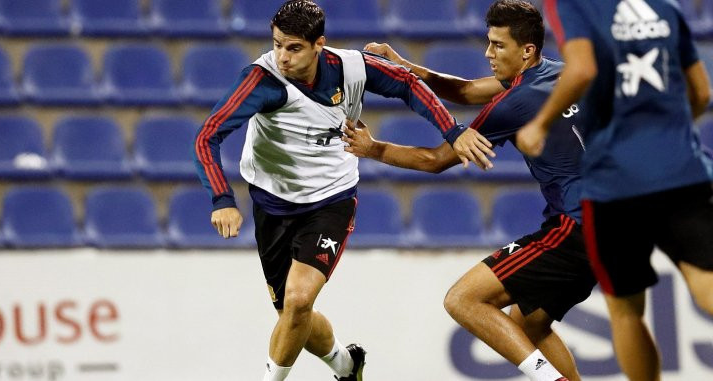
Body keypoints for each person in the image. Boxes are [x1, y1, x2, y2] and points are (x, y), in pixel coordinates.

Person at [192, 1, 493, 380]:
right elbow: (206, 137)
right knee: (293, 313)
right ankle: (346, 365)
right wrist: (222, 199)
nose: (282, 56)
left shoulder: (352, 67)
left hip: (331, 199)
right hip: (272, 203)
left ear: (319, 44)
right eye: (277, 44)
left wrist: (454, 131)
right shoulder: (261, 81)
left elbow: (408, 83)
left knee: (299, 299)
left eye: (294, 47)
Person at [348, 1, 595, 380]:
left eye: (498, 45)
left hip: (576, 227)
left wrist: (373, 148)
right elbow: (465, 91)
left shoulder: (514, 103)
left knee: (463, 299)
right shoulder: (561, 74)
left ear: (526, 50)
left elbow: (435, 160)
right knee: (529, 323)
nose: (488, 53)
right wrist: (406, 68)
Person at [515, 1, 713, 380]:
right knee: (707, 281)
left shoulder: (572, 5)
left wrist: (540, 124)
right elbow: (701, 94)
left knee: (625, 311)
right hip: (682, 169)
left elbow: (583, 68)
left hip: (613, 183)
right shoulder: (665, 8)